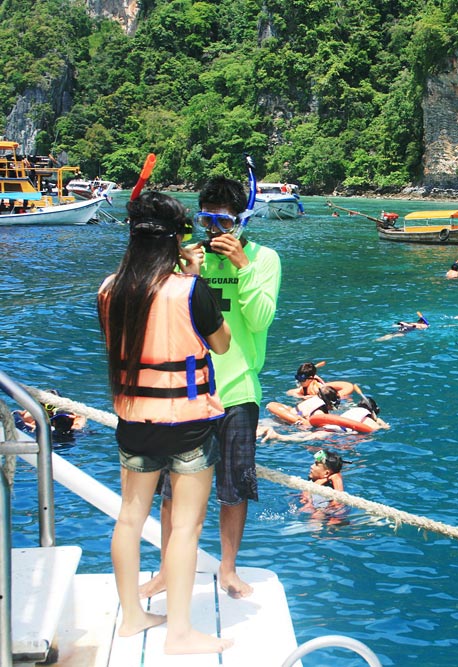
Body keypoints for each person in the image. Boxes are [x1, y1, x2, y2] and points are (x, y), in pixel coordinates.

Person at [98, 191, 233, 653]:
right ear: (176, 241)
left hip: (134, 420)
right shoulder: (190, 290)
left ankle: (133, 617)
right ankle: (179, 632)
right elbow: (221, 345)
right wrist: (194, 279)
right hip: (188, 425)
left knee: (130, 516)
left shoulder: (110, 289)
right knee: (186, 527)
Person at [143, 175, 281, 601]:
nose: (215, 231)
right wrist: (188, 275)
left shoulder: (265, 259)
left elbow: (259, 321)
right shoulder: (188, 258)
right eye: (207, 221)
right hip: (189, 389)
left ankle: (228, 568)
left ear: (241, 220)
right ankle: (168, 569)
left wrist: (243, 268)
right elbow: (166, 317)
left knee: (233, 487)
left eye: (223, 222)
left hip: (238, 391)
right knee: (172, 487)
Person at [300, 449, 348, 521]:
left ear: (326, 473)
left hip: (326, 508)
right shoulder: (313, 480)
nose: (311, 466)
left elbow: (338, 501)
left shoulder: (335, 478)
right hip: (316, 505)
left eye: (316, 464)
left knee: (317, 517)